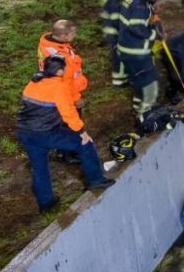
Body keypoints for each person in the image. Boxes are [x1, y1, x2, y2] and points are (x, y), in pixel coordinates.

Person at [16, 56, 115, 212]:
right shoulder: (58, 87)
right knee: (85, 145)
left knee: (39, 166)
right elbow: (68, 113)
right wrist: (82, 132)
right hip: (45, 132)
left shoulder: (33, 83)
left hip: (24, 132)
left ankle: (46, 203)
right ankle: (95, 180)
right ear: (60, 71)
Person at [118, 0, 165, 121]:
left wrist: (152, 12)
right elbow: (137, 28)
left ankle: (139, 109)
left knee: (138, 82)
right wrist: (155, 35)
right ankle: (146, 116)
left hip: (126, 49)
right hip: (137, 53)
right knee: (149, 84)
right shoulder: (141, 6)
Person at [38, 19, 88, 106]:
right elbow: (66, 81)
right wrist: (76, 98)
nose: (75, 35)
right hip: (64, 93)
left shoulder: (48, 43)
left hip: (54, 86)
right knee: (70, 116)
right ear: (63, 36)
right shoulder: (60, 58)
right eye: (73, 34)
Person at [100, 0, 134, 87]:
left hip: (113, 31)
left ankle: (122, 78)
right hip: (115, 34)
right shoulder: (115, 2)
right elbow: (118, 21)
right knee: (119, 58)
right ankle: (119, 82)